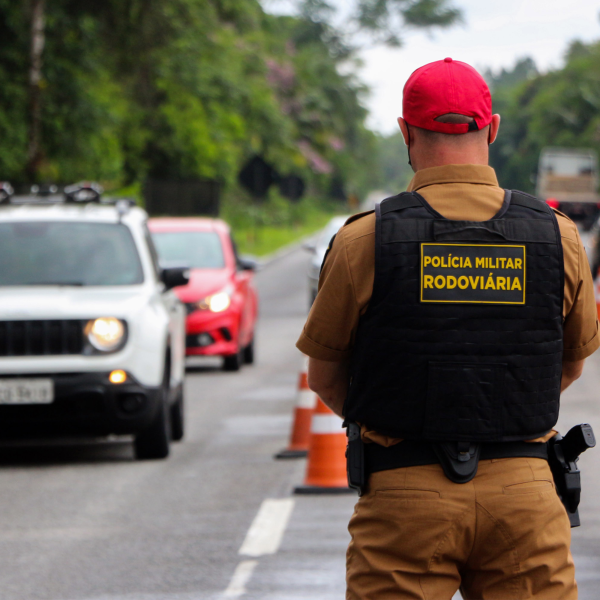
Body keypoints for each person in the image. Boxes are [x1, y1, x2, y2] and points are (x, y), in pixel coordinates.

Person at [296, 58, 599, 600]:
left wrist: (408, 413)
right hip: (526, 496)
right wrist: (500, 404)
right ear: (494, 127)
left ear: (406, 132)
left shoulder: (365, 240)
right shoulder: (559, 237)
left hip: (403, 496)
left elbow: (324, 377)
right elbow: (572, 361)